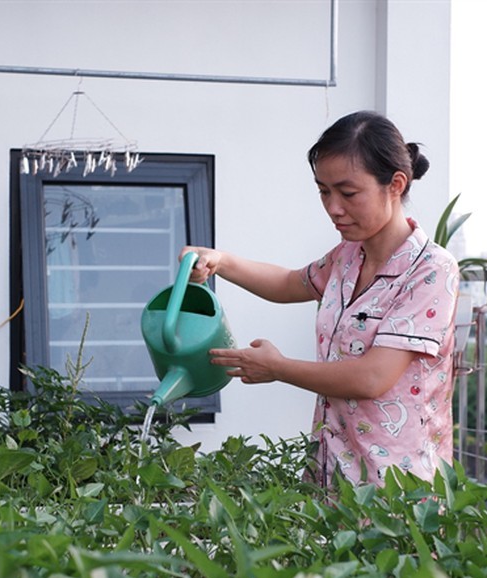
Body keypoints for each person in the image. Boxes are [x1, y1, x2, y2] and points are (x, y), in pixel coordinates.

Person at [181, 110, 459, 489]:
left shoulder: (431, 270)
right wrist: (221, 261)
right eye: (324, 192)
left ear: (395, 184)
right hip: (333, 475)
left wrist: (278, 368)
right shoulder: (349, 255)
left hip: (396, 490)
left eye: (348, 193)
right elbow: (289, 283)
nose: (333, 208)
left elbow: (373, 377)